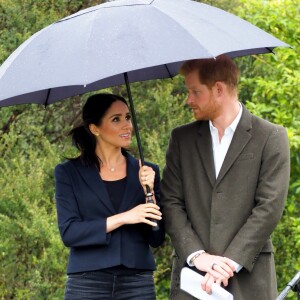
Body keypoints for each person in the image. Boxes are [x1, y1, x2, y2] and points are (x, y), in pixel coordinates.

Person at [160, 55, 290, 300]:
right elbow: (170, 202)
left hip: (249, 282)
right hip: (192, 282)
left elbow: (269, 208)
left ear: (218, 89)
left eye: (195, 92)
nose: (188, 100)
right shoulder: (181, 139)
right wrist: (199, 257)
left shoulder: (271, 137)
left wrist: (227, 264)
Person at [54, 93, 164, 300]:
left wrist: (149, 193)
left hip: (137, 282)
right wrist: (124, 217)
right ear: (95, 128)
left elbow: (157, 238)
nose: (127, 126)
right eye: (116, 119)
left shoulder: (147, 172)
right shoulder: (69, 173)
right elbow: (69, 232)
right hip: (87, 281)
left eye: (128, 117)